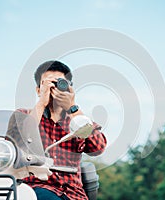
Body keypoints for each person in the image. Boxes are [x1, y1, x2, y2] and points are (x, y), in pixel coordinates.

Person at [20, 60, 107, 200]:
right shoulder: (25, 115)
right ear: (38, 90)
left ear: (69, 88)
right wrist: (42, 103)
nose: (53, 88)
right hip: (36, 190)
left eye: (59, 83)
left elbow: (98, 147)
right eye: (47, 84)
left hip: (73, 194)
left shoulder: (79, 120)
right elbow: (18, 141)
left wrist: (72, 107)